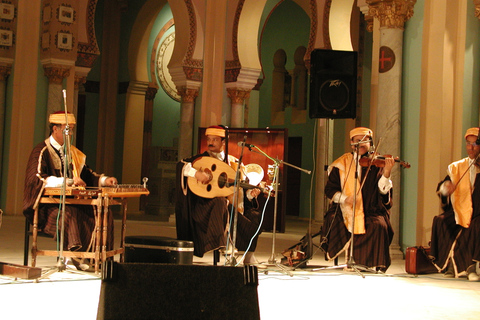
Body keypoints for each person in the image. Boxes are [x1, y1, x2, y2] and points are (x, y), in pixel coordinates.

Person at [23, 111, 118, 269]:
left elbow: (86, 174)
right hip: (49, 206)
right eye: (67, 129)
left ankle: (97, 259)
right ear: (55, 129)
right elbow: (35, 179)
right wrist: (66, 182)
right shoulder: (41, 151)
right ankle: (74, 255)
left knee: (103, 213)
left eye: (72, 129)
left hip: (72, 202)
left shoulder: (72, 152)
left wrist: (104, 180)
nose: (71, 133)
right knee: (70, 215)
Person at [175, 125, 263, 265]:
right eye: (209, 139)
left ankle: (248, 255)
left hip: (231, 206)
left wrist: (250, 196)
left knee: (255, 215)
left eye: (215, 139)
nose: (211, 142)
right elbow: (181, 166)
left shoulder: (234, 163)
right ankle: (218, 244)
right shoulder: (200, 159)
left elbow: (241, 191)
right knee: (220, 202)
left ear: (224, 142)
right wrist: (196, 173)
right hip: (205, 207)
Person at [320, 127, 395, 272]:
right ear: (351, 142)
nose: (361, 144)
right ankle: (349, 259)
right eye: (357, 140)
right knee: (333, 219)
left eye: (365, 140)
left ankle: (364, 262)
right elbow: (329, 189)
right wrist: (344, 199)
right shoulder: (342, 163)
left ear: (370, 142)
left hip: (370, 208)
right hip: (344, 208)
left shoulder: (376, 162)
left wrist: (386, 174)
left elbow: (383, 191)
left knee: (378, 225)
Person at [430, 127, 480, 281]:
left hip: (477, 211)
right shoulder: (458, 167)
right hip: (460, 210)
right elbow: (442, 186)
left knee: (475, 225)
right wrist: (447, 189)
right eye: (468, 144)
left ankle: (468, 266)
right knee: (441, 220)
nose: (470, 148)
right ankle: (449, 263)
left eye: (475, 144)